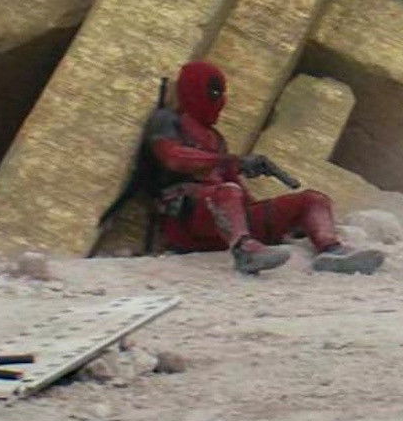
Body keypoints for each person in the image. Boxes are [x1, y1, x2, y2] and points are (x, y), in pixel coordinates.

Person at [137, 60, 383, 274]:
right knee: (228, 192)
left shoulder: (216, 139)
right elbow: (173, 158)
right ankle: (245, 251)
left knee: (312, 200)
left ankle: (331, 250)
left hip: (225, 224)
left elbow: (236, 188)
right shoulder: (168, 120)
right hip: (187, 222)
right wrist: (232, 162)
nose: (220, 101)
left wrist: (277, 219)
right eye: (213, 93)